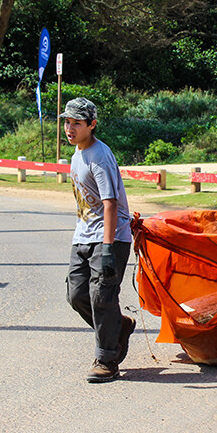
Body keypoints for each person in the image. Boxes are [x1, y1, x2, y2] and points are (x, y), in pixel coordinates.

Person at [63, 97, 136, 382]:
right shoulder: (77, 154)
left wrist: (107, 249)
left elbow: (110, 203)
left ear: (92, 125)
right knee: (76, 295)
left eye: (76, 123)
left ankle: (107, 360)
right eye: (67, 122)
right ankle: (118, 328)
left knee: (101, 297)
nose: (69, 128)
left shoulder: (99, 156)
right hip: (83, 234)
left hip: (110, 237)